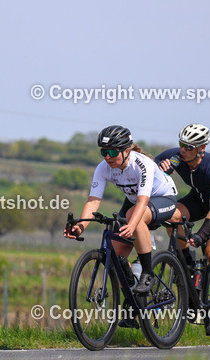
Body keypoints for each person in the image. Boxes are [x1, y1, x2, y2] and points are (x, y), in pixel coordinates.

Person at [64, 126, 179, 325]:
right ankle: (135, 303)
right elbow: (93, 201)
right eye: (103, 152)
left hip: (162, 198)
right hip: (136, 202)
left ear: (126, 150)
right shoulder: (103, 167)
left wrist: (132, 224)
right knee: (115, 256)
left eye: (112, 152)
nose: (107, 157)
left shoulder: (141, 163)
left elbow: (142, 202)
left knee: (133, 215)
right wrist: (80, 226)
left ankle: (147, 274)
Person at [155, 123, 210, 335]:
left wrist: (203, 235)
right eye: (181, 144)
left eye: (189, 147)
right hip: (198, 197)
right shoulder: (177, 156)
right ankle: (188, 263)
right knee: (171, 214)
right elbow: (148, 167)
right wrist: (161, 167)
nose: (183, 150)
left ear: (201, 148)